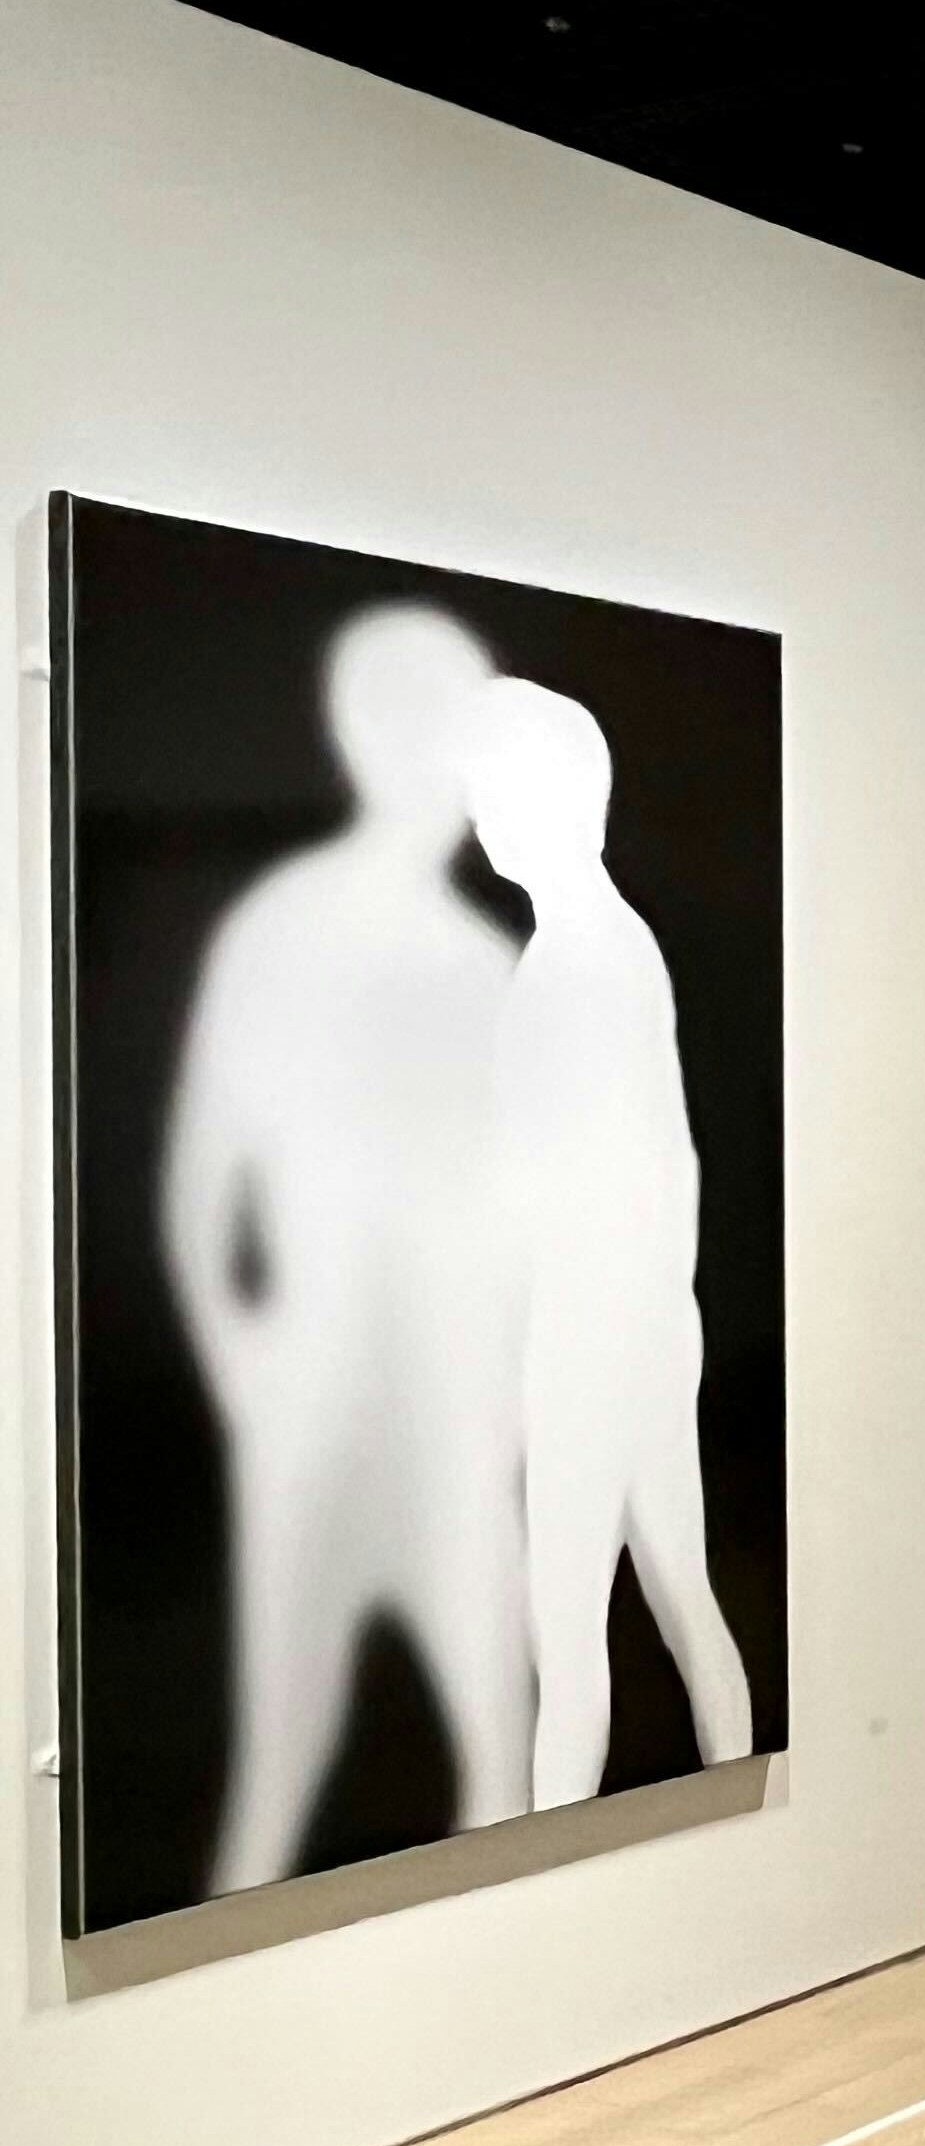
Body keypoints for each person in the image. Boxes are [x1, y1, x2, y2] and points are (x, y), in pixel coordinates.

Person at [168, 603, 527, 1893]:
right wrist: (240, 1369)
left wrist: (515, 1404)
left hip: (454, 1422)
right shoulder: (282, 931)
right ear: (364, 735)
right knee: (280, 1766)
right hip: (317, 1407)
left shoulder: (488, 967)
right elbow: (202, 1183)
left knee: (504, 1760)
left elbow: (525, 1214)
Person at [460, 676, 754, 1807]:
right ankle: (735, 1796)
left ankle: (547, 1868)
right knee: (681, 1595)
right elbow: (665, 1168)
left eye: (489, 790)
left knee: (569, 1635)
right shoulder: (616, 944)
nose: (478, 815)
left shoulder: (572, 962)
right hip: (643, 1328)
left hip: (588, 1336)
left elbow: (556, 1184)